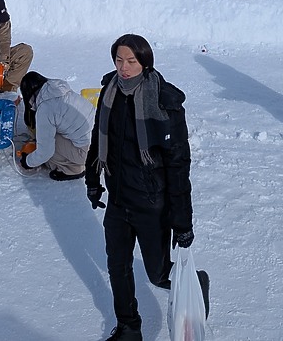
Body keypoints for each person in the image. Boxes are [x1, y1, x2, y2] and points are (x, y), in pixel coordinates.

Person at [85, 34, 209, 341]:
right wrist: (92, 180)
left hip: (151, 202)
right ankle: (129, 326)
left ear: (145, 62)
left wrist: (182, 222)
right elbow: (97, 138)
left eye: (131, 61)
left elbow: (179, 165)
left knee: (158, 274)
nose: (124, 68)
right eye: (119, 60)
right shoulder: (109, 92)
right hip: (118, 198)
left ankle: (197, 280)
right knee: (118, 266)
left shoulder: (164, 101)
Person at [19, 71, 95, 180]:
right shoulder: (61, 91)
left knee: (49, 145)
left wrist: (27, 161)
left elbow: (45, 152)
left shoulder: (45, 108)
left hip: (88, 153)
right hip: (102, 145)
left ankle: (72, 170)